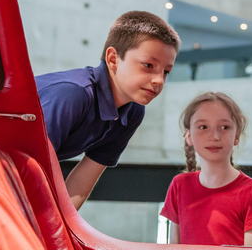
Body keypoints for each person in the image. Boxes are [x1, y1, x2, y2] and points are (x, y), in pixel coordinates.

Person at [36, 11, 180, 210]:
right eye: (148, 65)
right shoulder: (74, 94)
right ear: (113, 59)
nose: (159, 80)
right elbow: (29, 166)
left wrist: (61, 224)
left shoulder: (133, 112)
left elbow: (83, 179)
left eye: (166, 72)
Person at [161, 92, 252, 246]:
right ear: (188, 136)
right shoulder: (179, 185)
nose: (214, 136)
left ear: (237, 135)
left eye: (224, 127)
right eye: (203, 127)